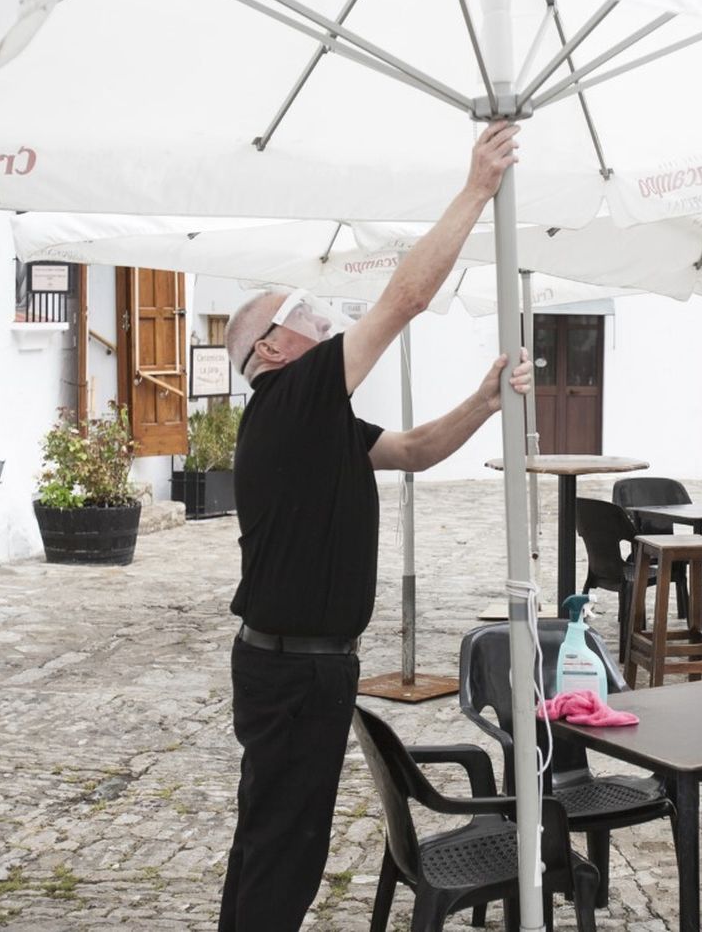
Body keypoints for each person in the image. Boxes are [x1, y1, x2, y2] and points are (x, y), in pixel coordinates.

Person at [217, 120, 528, 931]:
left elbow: (418, 451)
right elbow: (407, 298)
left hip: (294, 667)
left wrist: (485, 401)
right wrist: (475, 191)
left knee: (269, 838)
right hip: (294, 673)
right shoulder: (292, 399)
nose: (321, 320)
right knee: (286, 848)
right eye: (303, 314)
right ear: (271, 348)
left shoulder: (310, 421)